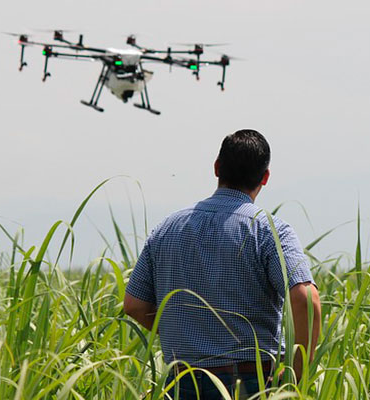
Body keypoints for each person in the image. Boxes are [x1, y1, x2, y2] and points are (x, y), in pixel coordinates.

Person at [124, 129, 322, 399]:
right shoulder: (269, 230)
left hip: (181, 381)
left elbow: (134, 305)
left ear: (217, 168)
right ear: (265, 177)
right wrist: (295, 375)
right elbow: (306, 300)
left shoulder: (166, 229)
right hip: (250, 382)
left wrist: (189, 332)